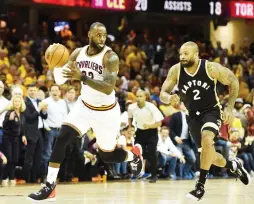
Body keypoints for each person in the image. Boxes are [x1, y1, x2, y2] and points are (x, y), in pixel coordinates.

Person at [28, 22, 143, 201]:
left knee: (107, 155)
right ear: (89, 34)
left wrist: (82, 77)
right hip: (83, 106)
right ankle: (50, 186)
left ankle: (133, 156)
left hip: (106, 111)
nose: (102, 38)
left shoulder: (110, 57)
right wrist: (55, 66)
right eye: (98, 35)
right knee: (62, 138)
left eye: (104, 35)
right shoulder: (77, 53)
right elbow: (61, 80)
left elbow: (108, 87)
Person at [159, 41, 251, 201]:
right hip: (192, 116)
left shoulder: (210, 68)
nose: (182, 57)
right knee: (212, 156)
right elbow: (163, 93)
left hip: (212, 111)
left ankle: (200, 186)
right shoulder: (176, 70)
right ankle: (234, 165)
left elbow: (233, 81)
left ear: (196, 54)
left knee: (207, 138)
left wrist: (229, 107)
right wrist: (169, 98)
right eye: (180, 53)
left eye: (186, 54)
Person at [128, 90, 164, 183]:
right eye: (137, 96)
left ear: (145, 97)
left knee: (152, 153)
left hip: (152, 132)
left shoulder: (151, 107)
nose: (138, 98)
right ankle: (137, 173)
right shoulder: (132, 107)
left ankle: (154, 175)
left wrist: (149, 126)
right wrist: (130, 127)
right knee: (136, 152)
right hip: (140, 132)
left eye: (140, 96)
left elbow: (159, 123)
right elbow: (130, 117)